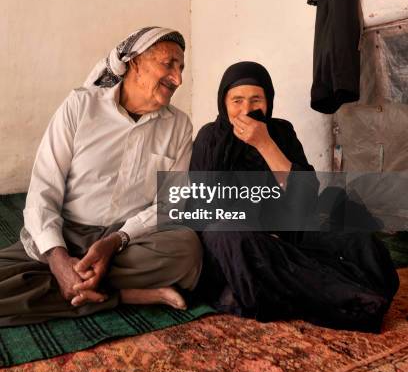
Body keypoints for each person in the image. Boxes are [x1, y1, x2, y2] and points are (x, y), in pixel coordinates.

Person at [0, 27, 202, 326]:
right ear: (134, 63)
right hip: (67, 233)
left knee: (187, 252)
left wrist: (115, 242)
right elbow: (44, 189)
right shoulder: (81, 106)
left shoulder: (179, 126)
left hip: (127, 241)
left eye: (181, 68)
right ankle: (126, 294)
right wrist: (57, 259)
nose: (178, 79)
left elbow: (168, 205)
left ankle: (77, 283)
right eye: (169, 64)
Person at [190, 61, 399, 332]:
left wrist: (265, 144)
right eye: (237, 101)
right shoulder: (210, 138)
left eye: (256, 99)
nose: (246, 110)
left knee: (353, 234)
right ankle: (344, 296)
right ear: (223, 103)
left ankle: (286, 287)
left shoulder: (281, 132)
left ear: (269, 100)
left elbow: (305, 197)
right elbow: (206, 207)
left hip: (287, 229)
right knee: (229, 234)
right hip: (238, 235)